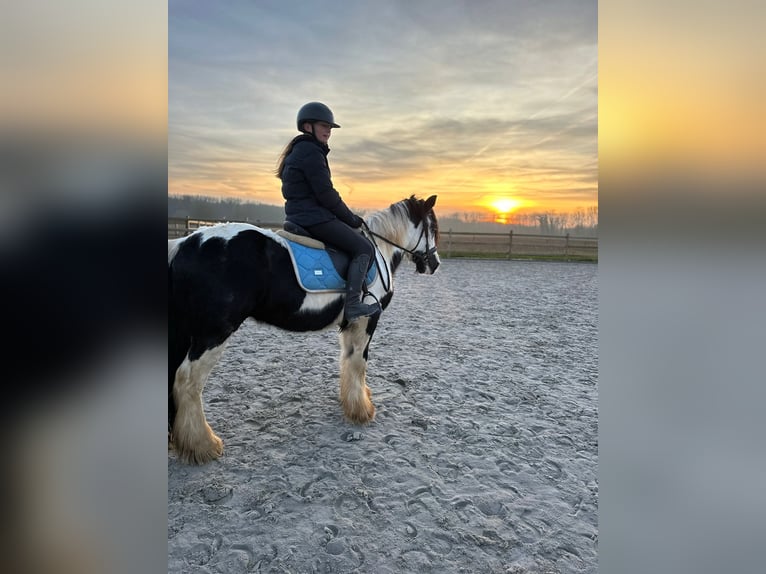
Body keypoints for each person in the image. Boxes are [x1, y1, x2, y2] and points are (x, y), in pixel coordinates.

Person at [276, 101, 379, 322]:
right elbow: (327, 195)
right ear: (307, 126)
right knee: (364, 247)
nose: (328, 131)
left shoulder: (300, 150)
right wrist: (351, 219)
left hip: (300, 215)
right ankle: (352, 305)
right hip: (313, 217)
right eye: (324, 126)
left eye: (330, 128)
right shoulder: (311, 152)